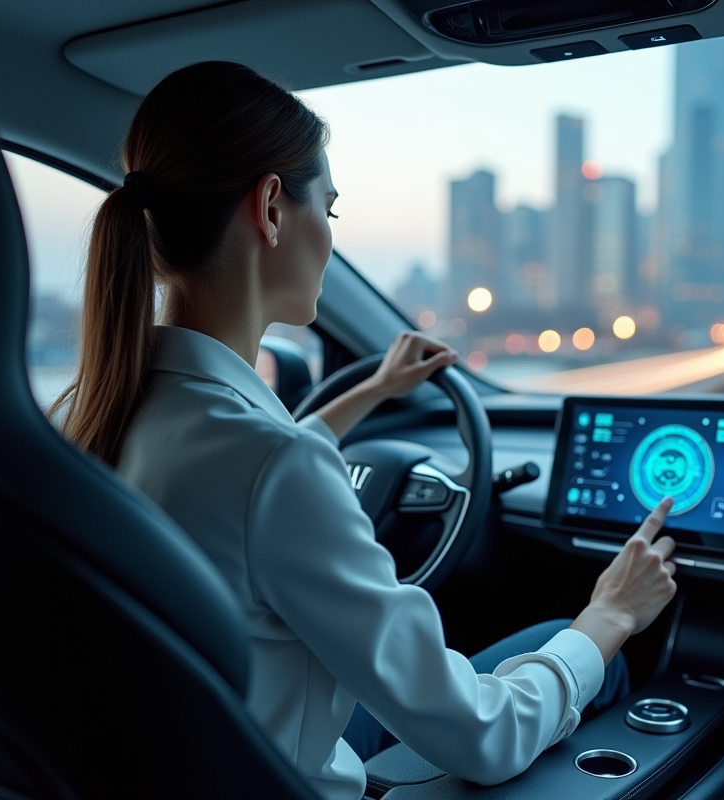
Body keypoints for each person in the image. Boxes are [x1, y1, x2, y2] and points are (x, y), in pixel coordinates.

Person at [53, 61, 678, 800]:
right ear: (272, 207)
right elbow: (484, 737)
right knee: (564, 645)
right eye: (333, 210)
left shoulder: (90, 415)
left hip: (205, 754)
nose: (331, 234)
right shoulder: (272, 469)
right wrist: (609, 615)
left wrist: (375, 392)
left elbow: (253, 482)